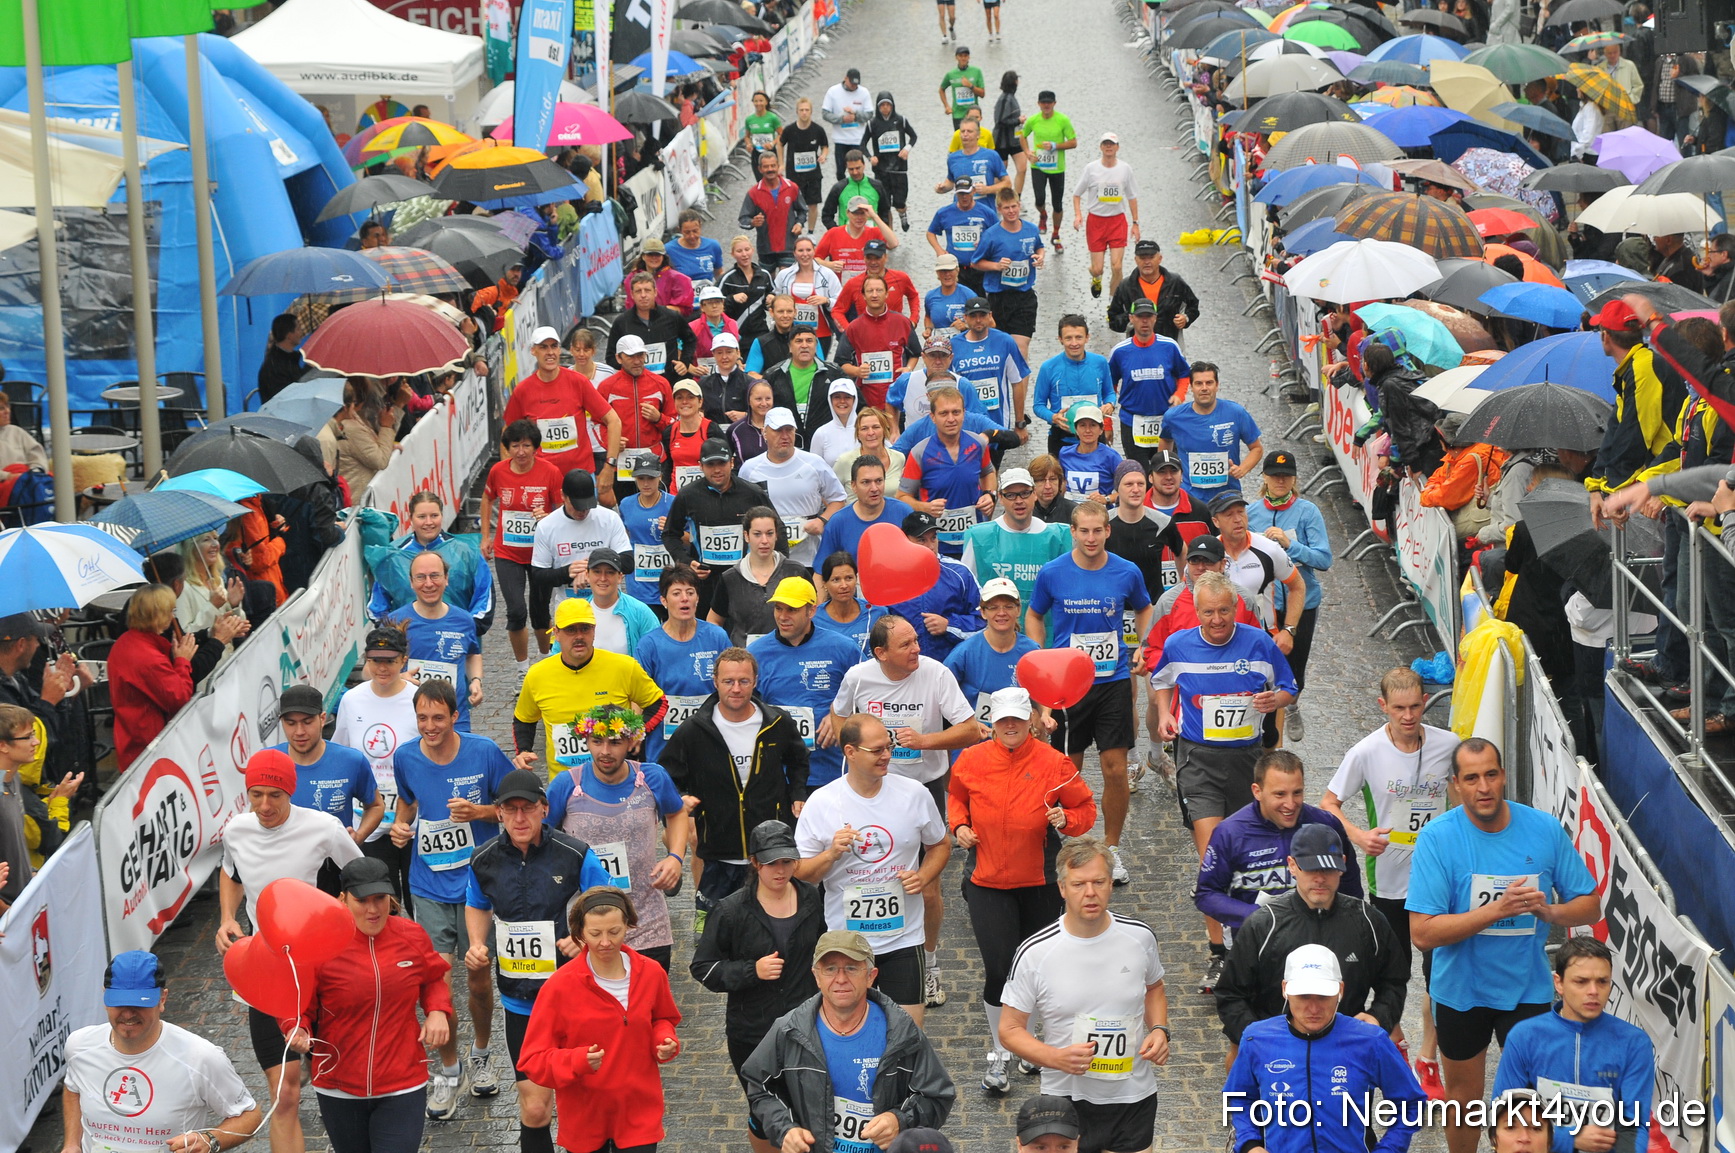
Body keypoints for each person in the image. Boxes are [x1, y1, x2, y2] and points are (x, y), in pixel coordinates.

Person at [1408, 738, 1601, 1153]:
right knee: (1464, 1101)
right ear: (1455, 785)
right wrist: (1496, 911)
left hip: (1526, 990)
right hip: (1461, 991)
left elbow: (1589, 905)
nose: (1484, 787)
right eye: (1472, 778)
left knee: (1532, 1105)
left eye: (1491, 774)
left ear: (1504, 776)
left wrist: (1551, 913)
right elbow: (1422, 933)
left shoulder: (1543, 829)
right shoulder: (1438, 839)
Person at [1149, 571, 1297, 990]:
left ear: (1237, 608)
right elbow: (1161, 682)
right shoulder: (1179, 645)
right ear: (1196, 611)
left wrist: (1276, 700)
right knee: (1213, 856)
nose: (1217, 619)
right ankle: (1219, 953)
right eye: (1209, 612)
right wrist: (1165, 715)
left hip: (1248, 762)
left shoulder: (1258, 642)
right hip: (1198, 760)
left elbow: (1289, 685)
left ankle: (1252, 939)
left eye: (1224, 610)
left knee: (1250, 856)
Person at [216, 750, 364, 1153]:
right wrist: (228, 917)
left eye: (275, 796)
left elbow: (365, 880)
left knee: (338, 1079)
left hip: (323, 971)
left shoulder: (324, 828)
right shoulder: (237, 831)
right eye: (256, 794)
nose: (264, 806)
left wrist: (339, 918)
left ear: (290, 793)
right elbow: (230, 874)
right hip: (267, 972)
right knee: (286, 1093)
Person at [951, 687, 1098, 1092]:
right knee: (999, 968)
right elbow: (956, 797)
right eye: (1003, 720)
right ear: (993, 723)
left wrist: (1065, 819)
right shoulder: (972, 759)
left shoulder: (1055, 763)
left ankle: (1030, 1048)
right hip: (988, 882)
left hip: (1041, 884)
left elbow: (1086, 810)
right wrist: (960, 826)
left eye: (1018, 718)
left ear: (1032, 719)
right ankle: (1001, 1053)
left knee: (1038, 970)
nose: (1011, 726)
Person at [1320, 668, 1456, 1096]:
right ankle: (1396, 1042)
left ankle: (1429, 1059)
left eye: (1416, 706)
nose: (1409, 715)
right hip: (1390, 882)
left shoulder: (1449, 746)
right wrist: (1358, 836)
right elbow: (1329, 803)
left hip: (1439, 880)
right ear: (1383, 707)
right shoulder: (1365, 752)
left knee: (1440, 975)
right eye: (1399, 708)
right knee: (1392, 973)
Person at [462, 769, 613, 1153]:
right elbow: (478, 905)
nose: (519, 818)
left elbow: (609, 903)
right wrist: (478, 943)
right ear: (497, 813)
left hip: (576, 997)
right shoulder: (483, 860)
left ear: (544, 809)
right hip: (522, 1003)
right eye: (510, 810)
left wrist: (585, 941)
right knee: (534, 1108)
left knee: (589, 1102)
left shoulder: (575, 853)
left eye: (527, 809)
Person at [386, 681, 516, 1116]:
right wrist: (401, 828)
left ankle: (481, 1054)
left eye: (438, 718)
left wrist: (479, 813)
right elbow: (407, 803)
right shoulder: (405, 756)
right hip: (428, 884)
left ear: (454, 716)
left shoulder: (482, 752)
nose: (429, 726)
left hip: (478, 886)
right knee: (434, 980)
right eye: (422, 718)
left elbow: (514, 808)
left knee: (477, 976)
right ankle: (449, 1068)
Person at [999, 838, 1171, 1153]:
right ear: (1062, 888)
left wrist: (1160, 1029)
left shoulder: (1139, 938)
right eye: (1079, 884)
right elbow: (1009, 1030)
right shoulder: (1036, 953)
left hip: (1133, 1094)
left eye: (1099, 882)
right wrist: (1055, 1058)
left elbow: (1154, 988)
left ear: (1110, 883)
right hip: (1066, 1100)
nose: (1089, 892)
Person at [280, 857, 452, 1153]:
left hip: (403, 1081)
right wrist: (297, 1028)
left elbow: (433, 978)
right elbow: (297, 1003)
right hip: (338, 1085)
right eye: (362, 901)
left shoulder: (412, 936)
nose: (373, 910)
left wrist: (437, 1011)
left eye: (380, 900)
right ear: (343, 899)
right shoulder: (320, 942)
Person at [1027, 504, 1153, 885]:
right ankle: (1069, 845)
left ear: (1108, 531)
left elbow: (1145, 608)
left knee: (1115, 769)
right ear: (1073, 532)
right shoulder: (1053, 573)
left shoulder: (1126, 571)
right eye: (1084, 531)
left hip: (1112, 682)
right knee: (1068, 772)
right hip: (1068, 687)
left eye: (1098, 530)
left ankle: (1112, 848)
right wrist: (1041, 655)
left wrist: (1142, 645)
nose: (1091, 538)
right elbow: (1034, 615)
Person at [741, 928, 956, 1150]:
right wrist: (785, 1128)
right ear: (816, 976)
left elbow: (937, 1095)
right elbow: (759, 1086)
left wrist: (900, 1120)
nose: (840, 979)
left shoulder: (902, 1032)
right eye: (830, 969)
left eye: (852, 968)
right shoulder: (788, 1031)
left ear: (870, 976)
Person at [1215, 822, 1408, 1066]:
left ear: (1342, 866)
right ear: (1292, 866)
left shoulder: (1368, 921)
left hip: (1345, 1056)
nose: (1319, 879)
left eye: (1328, 870)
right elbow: (1230, 993)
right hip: (1277, 1058)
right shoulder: (1264, 925)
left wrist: (1378, 1018)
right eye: (1310, 869)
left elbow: (1394, 980)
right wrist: (1257, 1038)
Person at [692, 819, 829, 1153]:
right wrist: (751, 970)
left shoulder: (811, 898)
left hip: (806, 1026)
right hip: (753, 1031)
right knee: (765, 1109)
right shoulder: (730, 910)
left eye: (787, 861)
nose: (780, 871)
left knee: (809, 1106)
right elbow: (703, 968)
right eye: (771, 863)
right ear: (754, 862)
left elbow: (823, 949)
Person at [518, 888, 683, 1153]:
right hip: (585, 1117)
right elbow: (532, 1059)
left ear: (628, 926)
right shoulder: (558, 987)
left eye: (614, 931)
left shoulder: (651, 973)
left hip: (638, 1113)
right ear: (580, 933)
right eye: (595, 934)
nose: (605, 942)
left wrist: (664, 1039)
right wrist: (576, 1061)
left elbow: (663, 1018)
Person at [1222, 944, 1427, 1153]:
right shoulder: (1256, 1039)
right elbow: (1238, 1098)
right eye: (1303, 996)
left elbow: (1411, 1103)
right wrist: (1250, 1145)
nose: (1313, 1009)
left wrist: (1389, 1150)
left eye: (1322, 997)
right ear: (1285, 989)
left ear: (1340, 991)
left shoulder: (1371, 1041)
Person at [663, 647, 811, 932]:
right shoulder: (694, 729)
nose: (736, 689)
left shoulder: (777, 722)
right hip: (719, 851)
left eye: (743, 681)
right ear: (715, 682)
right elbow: (666, 773)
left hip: (769, 853)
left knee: (775, 931)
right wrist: (681, 800)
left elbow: (798, 761)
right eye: (728, 681)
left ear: (755, 681)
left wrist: (798, 794)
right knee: (712, 934)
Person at [64, 952, 262, 1153]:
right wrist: (72, 1144)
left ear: (162, 999)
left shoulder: (200, 1057)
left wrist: (210, 1139)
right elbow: (73, 1087)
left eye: (140, 1004)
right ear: (105, 997)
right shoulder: (79, 1046)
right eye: (120, 1003)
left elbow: (249, 1115)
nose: (128, 1013)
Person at [544, 705, 689, 971]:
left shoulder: (652, 778)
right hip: (592, 924)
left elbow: (677, 813)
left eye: (615, 742)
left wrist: (676, 857)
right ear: (585, 740)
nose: (605, 752)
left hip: (646, 919)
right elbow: (541, 839)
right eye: (596, 741)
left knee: (647, 1007)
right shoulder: (566, 785)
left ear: (631, 742)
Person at [1492, 937, 1655, 1153]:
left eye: (1602, 982)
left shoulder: (1634, 1043)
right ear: (1558, 983)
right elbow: (1503, 1114)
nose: (1593, 991)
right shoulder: (1524, 1036)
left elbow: (1634, 1125)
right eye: (1581, 981)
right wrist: (1571, 1138)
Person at [1193, 749, 1365, 949]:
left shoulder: (1326, 825)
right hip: (1256, 945)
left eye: (1297, 793)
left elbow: (1351, 888)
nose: (1290, 804)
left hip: (1318, 943)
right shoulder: (1230, 833)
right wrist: (1257, 916)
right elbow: (1206, 894)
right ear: (1257, 791)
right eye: (1280, 794)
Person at [512, 595, 667, 770]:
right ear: (556, 633)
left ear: (594, 630)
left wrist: (637, 733)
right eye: (571, 630)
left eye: (585, 628)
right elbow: (524, 719)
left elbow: (658, 703)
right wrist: (524, 750)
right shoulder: (537, 675)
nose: (579, 636)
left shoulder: (624, 667)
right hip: (566, 786)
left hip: (616, 782)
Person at [1244, 451, 1331, 739]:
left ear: (1294, 479)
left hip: (1302, 603)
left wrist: (1289, 545)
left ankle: (1291, 705)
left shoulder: (1308, 512)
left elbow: (1324, 559)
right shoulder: (1252, 513)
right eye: (1274, 475)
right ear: (1265, 478)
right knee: (1262, 664)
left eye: (1285, 476)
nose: (1280, 481)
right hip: (1264, 604)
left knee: (1295, 669)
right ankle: (1264, 727)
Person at [749, 577, 862, 789]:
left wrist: (840, 715)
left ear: (811, 611)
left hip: (832, 772)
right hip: (780, 774)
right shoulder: (756, 654)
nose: (782, 617)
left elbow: (869, 696)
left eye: (791, 609)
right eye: (778, 608)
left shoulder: (843, 648)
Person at [1585, 300, 1685, 527]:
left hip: (1674, 474)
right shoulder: (1635, 365)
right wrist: (1597, 487)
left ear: (1605, 336)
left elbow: (1637, 433)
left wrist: (1614, 492)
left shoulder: (1644, 366)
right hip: (1664, 476)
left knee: (1678, 561)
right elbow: (1616, 431)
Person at [483, 421, 567, 673]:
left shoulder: (550, 472)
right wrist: (485, 536)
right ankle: (522, 670)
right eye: (515, 446)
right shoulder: (498, 471)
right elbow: (488, 498)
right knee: (516, 611)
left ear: (536, 448)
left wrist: (547, 516)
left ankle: (545, 663)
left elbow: (562, 510)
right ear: (507, 448)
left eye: (526, 446)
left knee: (540, 613)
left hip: (541, 553)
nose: (520, 451)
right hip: (508, 552)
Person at [634, 563, 732, 762]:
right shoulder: (649, 645)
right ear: (663, 600)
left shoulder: (717, 637)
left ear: (698, 598)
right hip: (664, 747)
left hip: (710, 742)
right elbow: (637, 696)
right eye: (676, 593)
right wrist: (635, 731)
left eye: (690, 592)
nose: (684, 598)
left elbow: (733, 682)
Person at [503, 327, 623, 482]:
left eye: (554, 346)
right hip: (541, 480)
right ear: (533, 351)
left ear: (560, 350)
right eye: (543, 347)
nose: (550, 352)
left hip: (580, 477)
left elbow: (614, 421)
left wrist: (609, 466)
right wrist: (509, 474)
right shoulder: (523, 390)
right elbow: (507, 432)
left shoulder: (578, 382)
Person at [366, 492, 493, 631]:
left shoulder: (466, 551)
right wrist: (391, 632)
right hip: (409, 641)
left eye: (434, 516)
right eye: (421, 517)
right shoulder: (392, 555)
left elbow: (484, 594)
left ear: (441, 516)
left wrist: (469, 627)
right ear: (411, 519)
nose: (428, 522)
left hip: (458, 637)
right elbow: (378, 603)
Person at [740, 407, 849, 568]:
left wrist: (822, 520)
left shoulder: (814, 463)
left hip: (809, 559)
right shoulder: (749, 469)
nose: (784, 436)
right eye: (778, 430)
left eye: (789, 430)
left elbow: (839, 499)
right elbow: (742, 511)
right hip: (766, 561)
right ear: (764, 433)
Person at [387, 551, 483, 730]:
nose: (429, 584)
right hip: (411, 721)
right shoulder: (394, 622)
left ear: (446, 578)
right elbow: (370, 671)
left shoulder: (464, 620)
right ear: (411, 582)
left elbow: (472, 653)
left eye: (435, 576)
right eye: (421, 577)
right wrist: (397, 678)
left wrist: (476, 680)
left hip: (455, 719)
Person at [900, 386, 998, 557]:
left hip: (974, 540)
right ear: (933, 417)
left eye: (956, 412)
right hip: (937, 545)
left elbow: (988, 472)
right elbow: (902, 497)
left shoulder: (978, 444)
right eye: (944, 413)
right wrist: (925, 507)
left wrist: (990, 494)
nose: (951, 419)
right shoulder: (919, 452)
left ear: (964, 413)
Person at [277, 684, 382, 840]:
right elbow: (255, 813)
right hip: (282, 860)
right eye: (291, 723)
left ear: (322, 719)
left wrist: (359, 836)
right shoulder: (268, 761)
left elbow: (375, 806)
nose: (299, 731)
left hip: (334, 862)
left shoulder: (351, 761)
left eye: (307, 722)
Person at [109, 584, 196, 770]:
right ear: (159, 616)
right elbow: (179, 697)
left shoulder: (125, 642)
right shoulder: (148, 657)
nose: (173, 616)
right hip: (149, 749)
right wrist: (182, 660)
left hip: (131, 739)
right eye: (170, 611)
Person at [707, 505, 812, 647]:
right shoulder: (730, 578)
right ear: (746, 536)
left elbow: (813, 614)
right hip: (745, 661)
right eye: (757, 534)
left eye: (769, 533)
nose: (764, 540)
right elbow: (713, 621)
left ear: (777, 535)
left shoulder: (796, 571)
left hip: (790, 657)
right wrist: (728, 651)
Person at [1159, 361, 1262, 500]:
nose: (1204, 388)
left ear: (1217, 385)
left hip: (1228, 496)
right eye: (1199, 383)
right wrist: (1168, 471)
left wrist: (1242, 469)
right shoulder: (1173, 417)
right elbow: (1165, 440)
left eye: (1209, 383)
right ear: (1191, 387)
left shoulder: (1236, 413)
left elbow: (1257, 448)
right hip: (1190, 496)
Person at [1107, 300, 1191, 469]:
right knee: (1139, 473)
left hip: (1165, 420)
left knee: (1167, 471)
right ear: (1131, 318)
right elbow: (1109, 386)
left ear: (1155, 318)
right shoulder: (1120, 351)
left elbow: (1184, 374)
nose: (1144, 321)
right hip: (1132, 422)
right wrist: (1107, 424)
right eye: (1140, 317)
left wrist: (1179, 395)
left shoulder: (1170, 346)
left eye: (1148, 316)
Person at [944, 578, 1041, 721]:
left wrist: (1044, 716)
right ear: (983, 612)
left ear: (1018, 610)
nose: (1001, 613)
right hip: (979, 739)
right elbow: (941, 692)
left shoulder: (1032, 651)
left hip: (1020, 737)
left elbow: (1044, 692)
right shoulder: (964, 652)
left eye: (1008, 606)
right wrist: (966, 724)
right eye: (993, 607)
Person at [974, 189, 1046, 361]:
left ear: (1019, 206)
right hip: (999, 298)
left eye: (1014, 206)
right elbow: (975, 262)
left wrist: (1040, 257)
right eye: (1006, 208)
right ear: (999, 209)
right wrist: (996, 265)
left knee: (1020, 348)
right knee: (1000, 349)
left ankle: (1021, 387)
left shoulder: (1031, 229)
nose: (1011, 211)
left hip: (1024, 297)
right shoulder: (991, 235)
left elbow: (1039, 247)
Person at [1035, 314, 1116, 456]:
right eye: (1068, 338)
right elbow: (1038, 405)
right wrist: (1052, 417)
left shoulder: (1100, 363)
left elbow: (1109, 393)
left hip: (1094, 438)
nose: (1074, 343)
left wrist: (1110, 404)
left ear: (1087, 337)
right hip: (1062, 439)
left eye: (1079, 337)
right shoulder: (1048, 367)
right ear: (1060, 339)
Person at [1071, 133, 1140, 299]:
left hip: (1117, 221)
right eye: (1105, 144)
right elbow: (1076, 194)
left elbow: (1132, 197)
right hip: (1096, 222)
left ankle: (1113, 302)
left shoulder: (1125, 169)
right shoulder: (1091, 169)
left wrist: (1135, 223)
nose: (1109, 147)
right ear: (1101, 147)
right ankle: (1096, 277)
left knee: (1117, 267)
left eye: (1112, 144)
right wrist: (1078, 215)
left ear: (1117, 147)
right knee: (1098, 268)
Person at [951, 293, 1032, 431]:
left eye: (982, 315)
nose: (978, 320)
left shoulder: (1005, 341)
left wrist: (1020, 423)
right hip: (965, 424)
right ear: (965, 318)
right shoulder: (953, 345)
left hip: (998, 421)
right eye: (973, 316)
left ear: (990, 316)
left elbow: (1017, 382)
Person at [607, 272, 696, 384]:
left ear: (655, 292)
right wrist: (629, 368)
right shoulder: (621, 322)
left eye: (647, 290)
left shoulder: (672, 317)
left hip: (670, 382)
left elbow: (690, 339)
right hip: (637, 384)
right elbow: (610, 357)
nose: (643, 295)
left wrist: (684, 362)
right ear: (632, 295)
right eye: (638, 291)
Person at [1106, 240, 1201, 344]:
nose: (1147, 262)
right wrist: (1132, 319)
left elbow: (1193, 306)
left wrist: (1185, 318)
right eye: (1142, 258)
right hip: (1138, 348)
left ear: (1160, 258)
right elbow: (1113, 319)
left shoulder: (1175, 282)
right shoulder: (1126, 286)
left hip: (1169, 346)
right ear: (1136, 260)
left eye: (1151, 258)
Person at [619, 456, 676, 616]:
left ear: (660, 476)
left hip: (668, 582)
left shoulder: (673, 503)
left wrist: (671, 530)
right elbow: (623, 538)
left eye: (650, 478)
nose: (645, 483)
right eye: (641, 478)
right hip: (638, 584)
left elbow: (690, 539)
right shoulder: (626, 504)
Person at [1021, 91, 1077, 246]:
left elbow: (1073, 142)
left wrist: (1055, 146)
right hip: (1038, 166)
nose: (1046, 105)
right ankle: (1043, 214)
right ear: (1038, 104)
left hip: (1057, 168)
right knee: (1039, 200)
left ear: (1054, 103)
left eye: (1049, 103)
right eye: (1043, 103)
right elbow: (1021, 135)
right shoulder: (1033, 120)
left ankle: (1056, 234)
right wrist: (1027, 152)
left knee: (1057, 204)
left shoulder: (1062, 120)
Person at [928, 180, 1000, 295]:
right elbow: (931, 233)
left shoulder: (987, 212)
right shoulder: (944, 212)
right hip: (956, 269)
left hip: (980, 268)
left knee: (981, 305)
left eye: (967, 193)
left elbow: (999, 235)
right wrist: (939, 250)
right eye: (961, 194)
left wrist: (986, 244)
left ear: (973, 191)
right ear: (956, 193)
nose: (964, 197)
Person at [774, 239, 847, 352]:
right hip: (790, 333)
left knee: (818, 367)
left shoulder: (827, 274)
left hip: (821, 334)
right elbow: (775, 300)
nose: (805, 254)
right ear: (794, 253)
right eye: (800, 250)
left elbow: (841, 303)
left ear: (814, 251)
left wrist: (826, 300)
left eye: (808, 250)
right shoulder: (784, 275)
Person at [862, 92, 918, 233]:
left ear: (892, 106)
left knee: (899, 203)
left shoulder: (901, 120)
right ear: (878, 107)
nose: (885, 108)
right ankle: (889, 234)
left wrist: (907, 149)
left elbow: (913, 136)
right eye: (882, 105)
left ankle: (903, 214)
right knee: (885, 206)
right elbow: (862, 144)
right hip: (881, 171)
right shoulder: (872, 124)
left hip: (899, 169)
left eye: (888, 105)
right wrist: (870, 157)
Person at [811, 551, 886, 653]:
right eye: (836, 580)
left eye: (849, 578)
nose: (844, 585)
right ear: (824, 584)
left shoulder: (877, 613)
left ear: (856, 579)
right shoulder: (814, 619)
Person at [780, 97, 830, 233]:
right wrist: (781, 163)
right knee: (792, 203)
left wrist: (824, 155)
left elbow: (825, 146)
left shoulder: (818, 130)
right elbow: (780, 143)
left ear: (811, 112)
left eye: (807, 110)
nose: (804, 113)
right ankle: (795, 228)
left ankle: (811, 232)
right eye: (801, 110)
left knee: (813, 204)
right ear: (797, 111)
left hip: (813, 174)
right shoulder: (790, 130)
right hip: (794, 174)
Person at [832, 405, 906, 495]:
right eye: (864, 428)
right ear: (858, 434)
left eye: (876, 427)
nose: (871, 433)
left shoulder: (899, 458)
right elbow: (829, 495)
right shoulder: (844, 461)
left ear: (884, 430)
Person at [821, 68, 875, 180]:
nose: (854, 86)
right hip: (840, 139)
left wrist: (855, 116)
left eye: (856, 84)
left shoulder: (864, 92)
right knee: (840, 172)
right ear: (845, 78)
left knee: (857, 170)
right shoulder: (833, 91)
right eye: (851, 83)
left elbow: (869, 114)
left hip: (857, 139)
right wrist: (842, 119)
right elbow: (825, 114)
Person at [722, 234, 778, 339]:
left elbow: (774, 296)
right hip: (735, 333)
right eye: (739, 251)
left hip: (760, 332)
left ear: (752, 250)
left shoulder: (764, 275)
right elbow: (714, 303)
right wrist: (732, 299)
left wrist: (772, 298)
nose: (744, 254)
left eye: (747, 249)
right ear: (732, 254)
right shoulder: (727, 278)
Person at [628, 237, 695, 318]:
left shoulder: (680, 279)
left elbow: (685, 309)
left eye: (657, 254)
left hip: (669, 324)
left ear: (663, 257)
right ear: (643, 256)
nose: (654, 257)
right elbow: (630, 307)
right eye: (650, 254)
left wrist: (657, 313)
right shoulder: (631, 278)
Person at [943, 120, 1011, 198]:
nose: (965, 134)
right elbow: (950, 182)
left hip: (985, 207)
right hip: (961, 208)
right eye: (962, 131)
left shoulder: (991, 155)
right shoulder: (953, 158)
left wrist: (988, 189)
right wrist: (943, 188)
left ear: (978, 135)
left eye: (969, 131)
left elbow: (1007, 183)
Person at [259, 313, 306, 403]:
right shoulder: (274, 366)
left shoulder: (292, 358)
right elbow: (289, 394)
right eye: (298, 329)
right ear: (289, 336)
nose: (301, 332)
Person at [941, 45, 987, 127]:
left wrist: (970, 86)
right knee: (960, 139)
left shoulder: (976, 72)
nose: (963, 58)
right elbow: (941, 90)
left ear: (969, 57)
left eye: (965, 56)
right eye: (960, 56)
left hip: (973, 114)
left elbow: (982, 94)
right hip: (958, 115)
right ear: (956, 57)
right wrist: (946, 106)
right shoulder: (951, 74)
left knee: (973, 138)